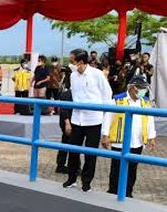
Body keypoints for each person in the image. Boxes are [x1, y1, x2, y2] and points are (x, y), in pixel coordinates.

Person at [64, 48, 112, 192]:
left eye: (72, 60)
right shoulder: (72, 75)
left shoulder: (97, 75)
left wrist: (106, 130)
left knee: (90, 154)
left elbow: (107, 97)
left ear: (81, 62)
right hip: (77, 119)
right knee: (72, 150)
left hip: (93, 120)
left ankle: (86, 182)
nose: (70, 63)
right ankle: (71, 178)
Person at [101, 74, 157, 198]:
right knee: (116, 168)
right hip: (119, 141)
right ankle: (113, 192)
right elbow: (108, 117)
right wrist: (105, 135)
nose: (143, 90)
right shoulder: (118, 100)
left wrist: (151, 137)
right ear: (132, 87)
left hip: (137, 141)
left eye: (144, 87)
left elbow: (150, 120)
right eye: (140, 87)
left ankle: (128, 193)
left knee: (132, 169)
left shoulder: (145, 102)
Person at [56, 88, 73, 174]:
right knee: (69, 143)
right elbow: (64, 109)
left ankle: (62, 165)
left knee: (67, 142)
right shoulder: (67, 94)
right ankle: (63, 165)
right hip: (68, 122)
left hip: (69, 121)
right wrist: (67, 123)